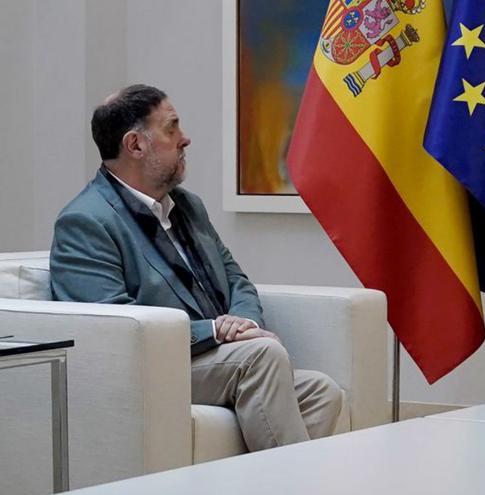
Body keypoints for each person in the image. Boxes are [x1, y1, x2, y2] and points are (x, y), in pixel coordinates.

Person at [50, 84, 342, 450]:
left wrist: (244, 323)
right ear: (135, 145)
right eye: (171, 128)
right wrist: (217, 331)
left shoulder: (187, 206)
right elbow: (113, 328)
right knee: (261, 356)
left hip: (208, 358)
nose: (185, 139)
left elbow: (236, 278)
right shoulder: (86, 221)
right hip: (148, 368)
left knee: (321, 392)